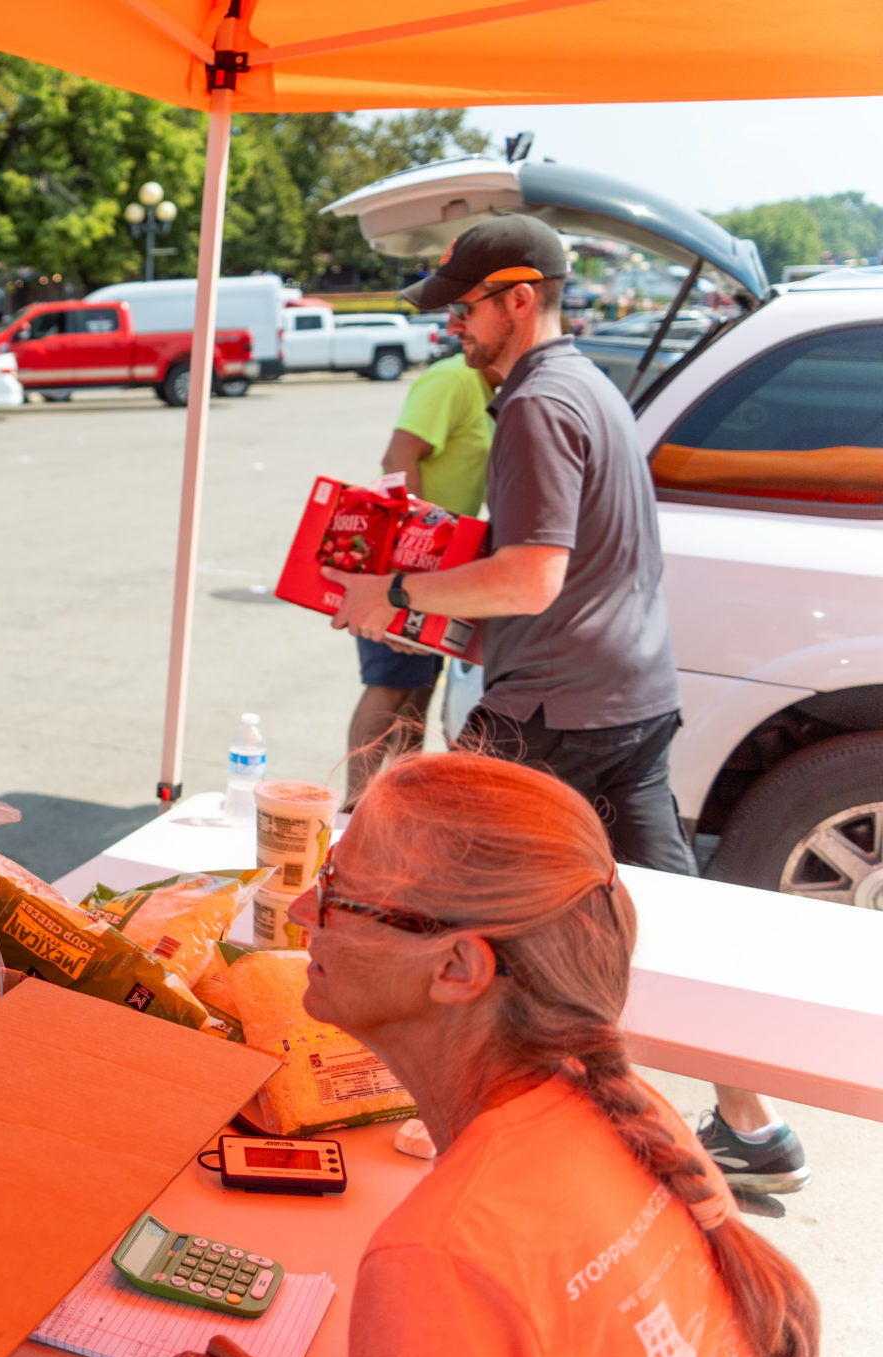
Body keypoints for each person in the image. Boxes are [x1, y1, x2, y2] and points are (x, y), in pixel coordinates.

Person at [321, 215, 809, 1194]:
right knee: (654, 917)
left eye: (462, 307)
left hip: (551, 711)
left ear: (515, 298)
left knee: (437, 904)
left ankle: (457, 1122)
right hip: (631, 691)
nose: (452, 326)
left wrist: (397, 597)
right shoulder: (592, 384)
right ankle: (750, 1127)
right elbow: (571, 559)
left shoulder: (538, 402)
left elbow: (532, 577)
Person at [180, 751, 818, 1357]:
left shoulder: (438, 1256)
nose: (300, 911)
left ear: (457, 968)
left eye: (334, 889)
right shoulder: (627, 1108)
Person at [343, 352, 495, 807]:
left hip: (438, 565)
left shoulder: (487, 391)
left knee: (421, 682)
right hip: (402, 558)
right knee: (390, 683)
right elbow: (398, 458)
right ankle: (356, 807)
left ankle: (402, 805)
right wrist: (415, 558)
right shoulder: (454, 378)